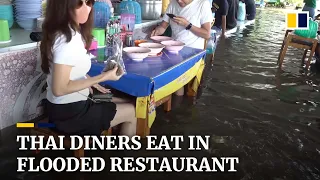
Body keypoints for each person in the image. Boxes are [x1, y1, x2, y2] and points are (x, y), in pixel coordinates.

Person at [40, 0, 137, 137]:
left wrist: (94, 82)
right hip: (70, 114)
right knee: (133, 110)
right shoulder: (68, 40)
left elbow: (70, 72)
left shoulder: (62, 31)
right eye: (79, 3)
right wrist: (104, 77)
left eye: (89, 2)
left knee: (125, 101)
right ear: (63, 6)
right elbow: (60, 89)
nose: (87, 8)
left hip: (61, 107)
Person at [151, 0, 213, 96]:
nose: (179, 1)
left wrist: (187, 24)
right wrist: (156, 32)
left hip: (192, 53)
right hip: (173, 50)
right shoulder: (172, 4)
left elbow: (207, 34)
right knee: (155, 68)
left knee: (176, 80)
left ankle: (177, 103)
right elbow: (163, 26)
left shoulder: (202, 4)